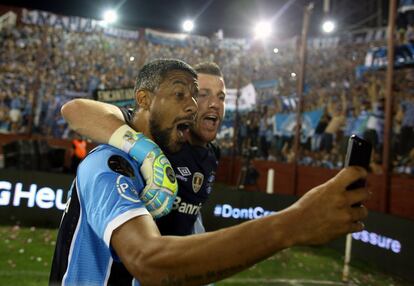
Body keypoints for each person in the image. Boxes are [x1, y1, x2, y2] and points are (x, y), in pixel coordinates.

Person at [51, 59, 370, 286]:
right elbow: (148, 260)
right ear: (146, 101)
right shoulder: (114, 159)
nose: (198, 105)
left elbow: (190, 224)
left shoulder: (207, 154)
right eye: (190, 95)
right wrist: (293, 223)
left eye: (218, 96)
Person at [61, 62, 226, 236]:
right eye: (202, 94)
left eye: (221, 97)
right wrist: (148, 152)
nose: (214, 104)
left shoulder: (212, 155)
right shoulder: (158, 132)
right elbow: (75, 110)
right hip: (139, 253)